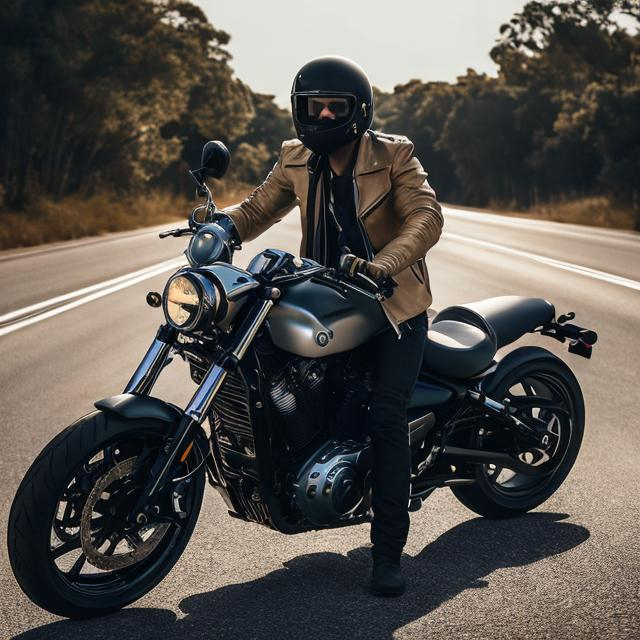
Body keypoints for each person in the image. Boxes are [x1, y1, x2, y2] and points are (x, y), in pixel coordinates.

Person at [220, 55, 444, 596]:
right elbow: (258, 209)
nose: (321, 115)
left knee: (385, 419)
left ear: (357, 112)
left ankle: (387, 552)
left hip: (389, 308)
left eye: (332, 107)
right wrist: (220, 224)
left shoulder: (394, 155)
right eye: (311, 106)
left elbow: (426, 216)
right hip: (325, 300)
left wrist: (384, 265)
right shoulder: (295, 157)